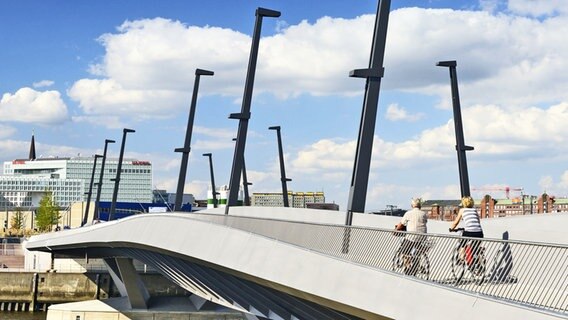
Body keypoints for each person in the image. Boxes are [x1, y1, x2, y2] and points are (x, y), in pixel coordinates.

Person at [394, 198, 428, 274]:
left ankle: (408, 267)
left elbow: (400, 225)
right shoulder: (424, 214)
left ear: (412, 205)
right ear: (420, 206)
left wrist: (395, 231)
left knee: (404, 252)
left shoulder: (408, 213)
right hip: (423, 237)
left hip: (411, 237)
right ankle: (418, 266)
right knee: (418, 251)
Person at [451, 196, 484, 263]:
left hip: (469, 231)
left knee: (462, 245)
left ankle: (461, 259)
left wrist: (451, 228)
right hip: (479, 232)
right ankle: (478, 261)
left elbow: (456, 222)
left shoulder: (462, 210)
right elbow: (478, 221)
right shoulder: (474, 210)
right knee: (475, 247)